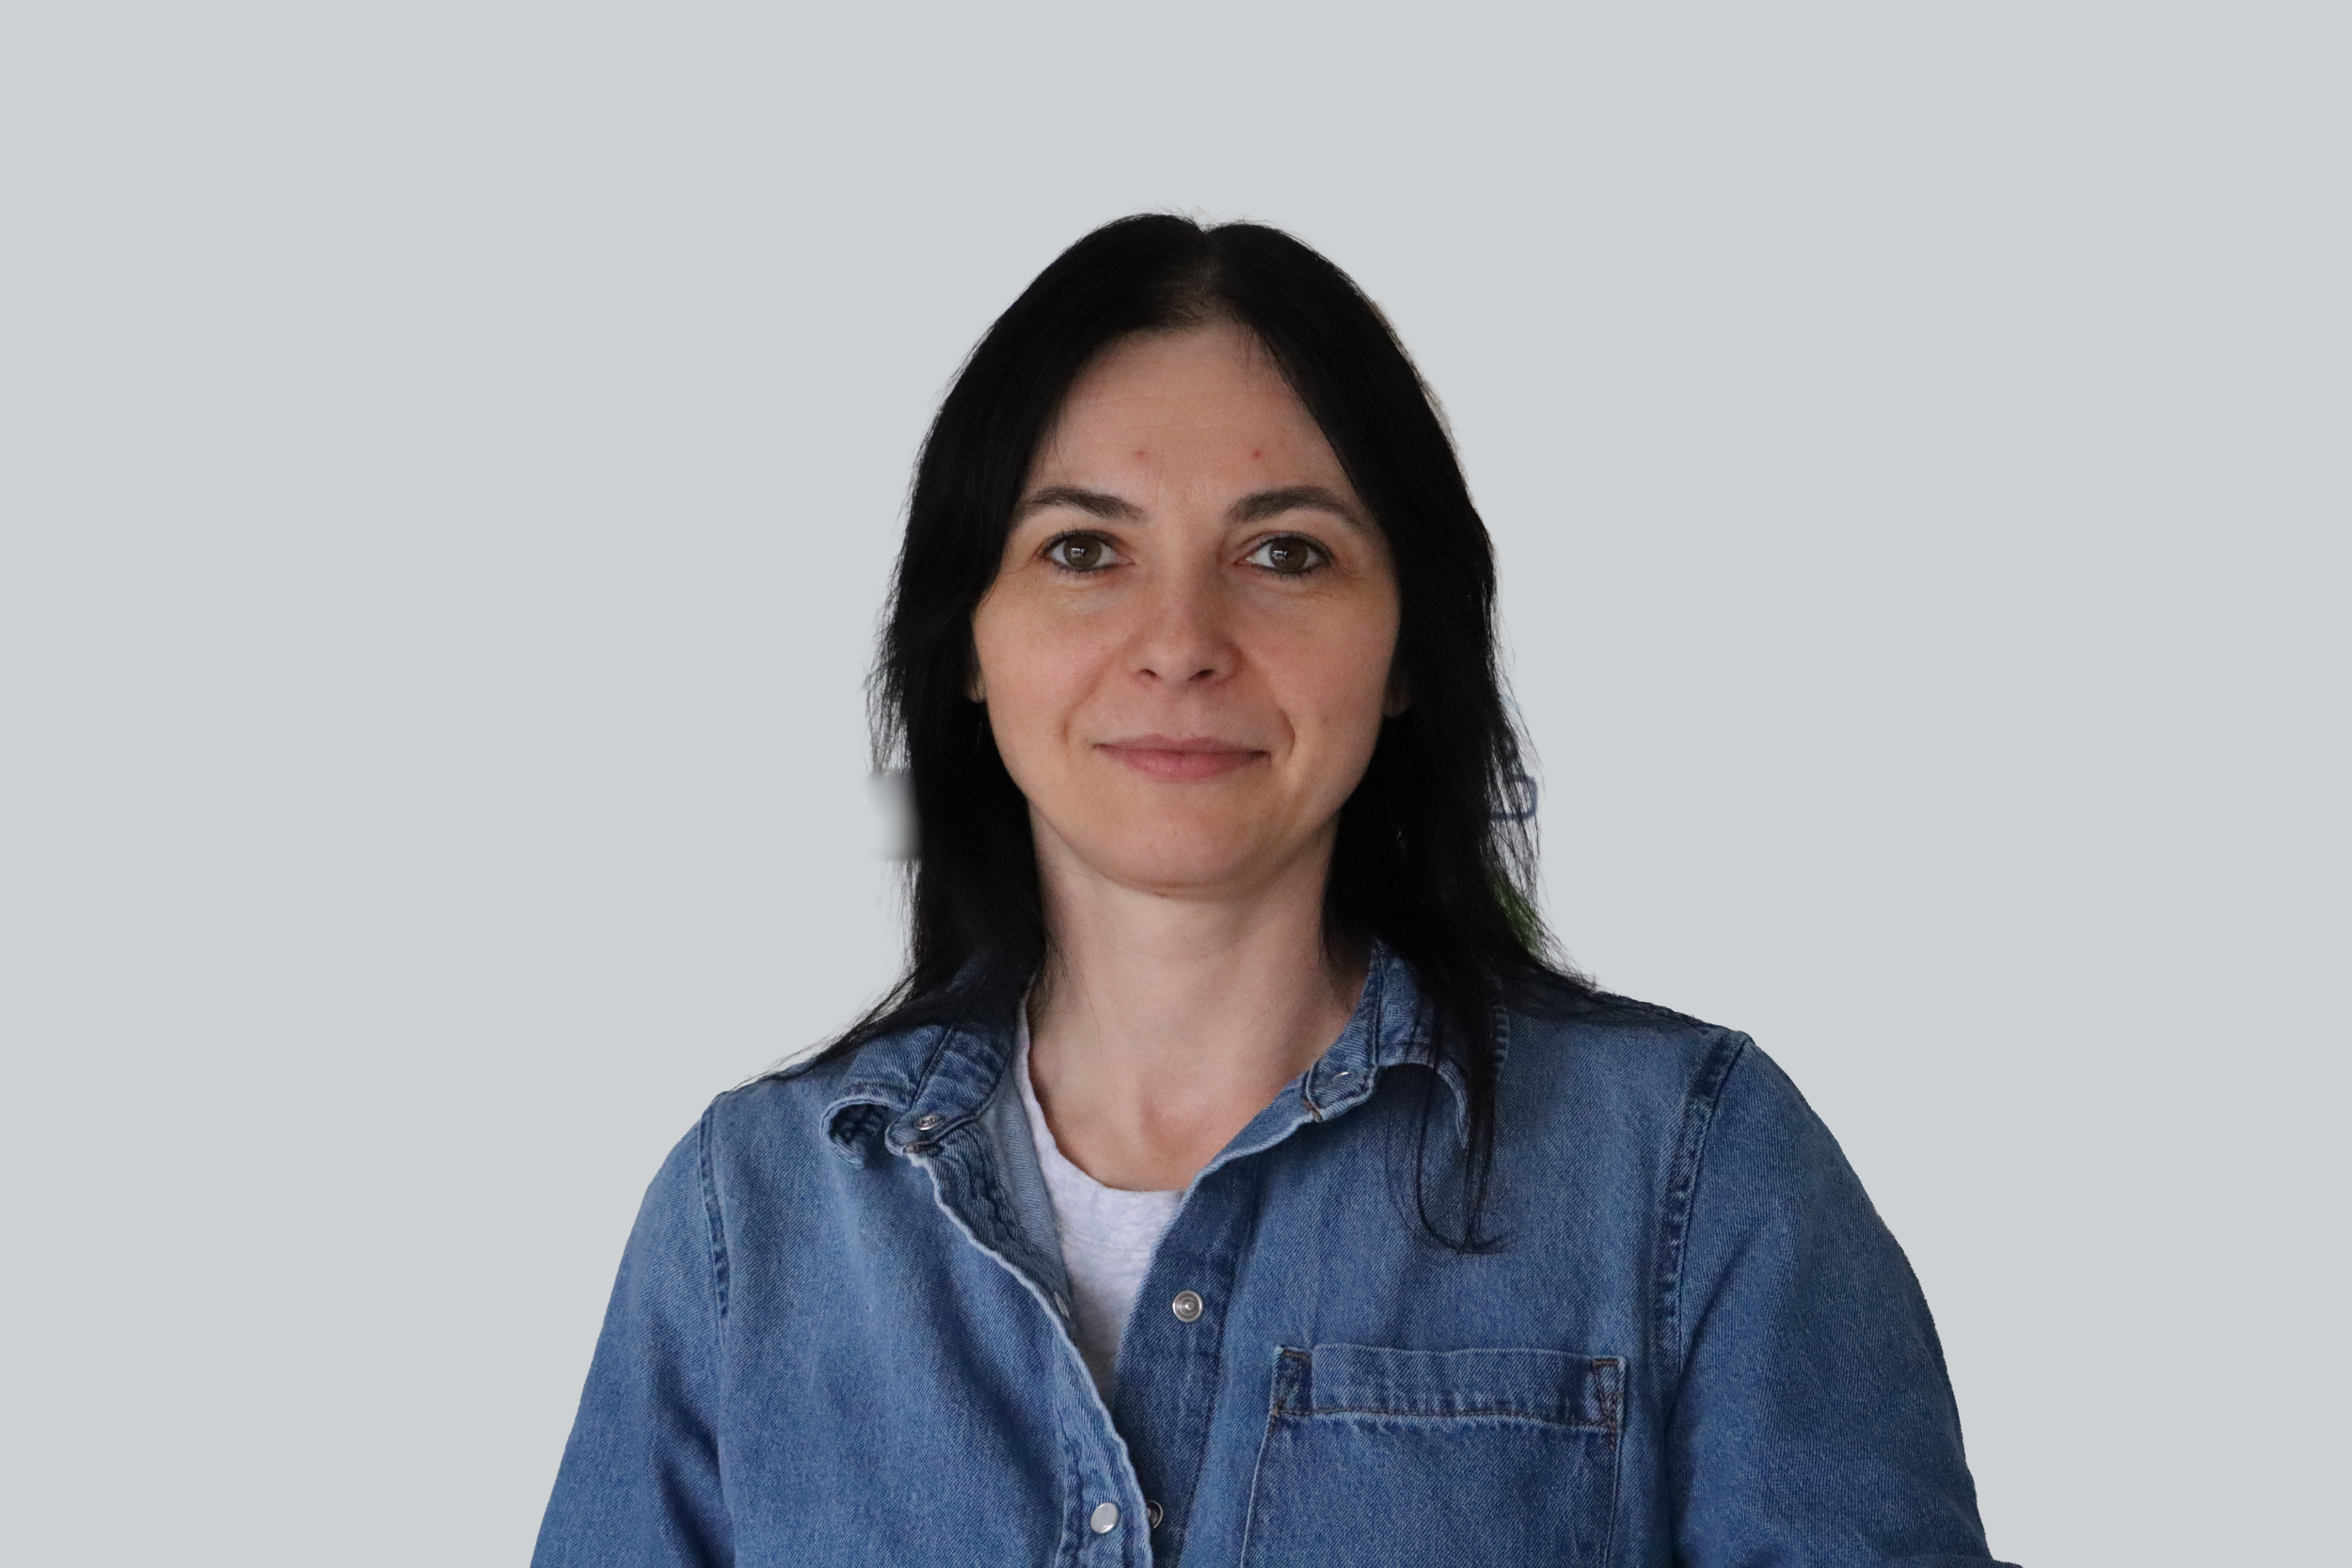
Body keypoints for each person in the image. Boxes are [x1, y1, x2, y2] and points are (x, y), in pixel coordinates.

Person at [532, 214, 2014, 1567]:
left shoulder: (1697, 1177)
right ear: (970, 644)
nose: (1179, 639)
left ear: (1412, 643)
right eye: (1083, 550)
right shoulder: (752, 1218)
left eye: (1286, 552)